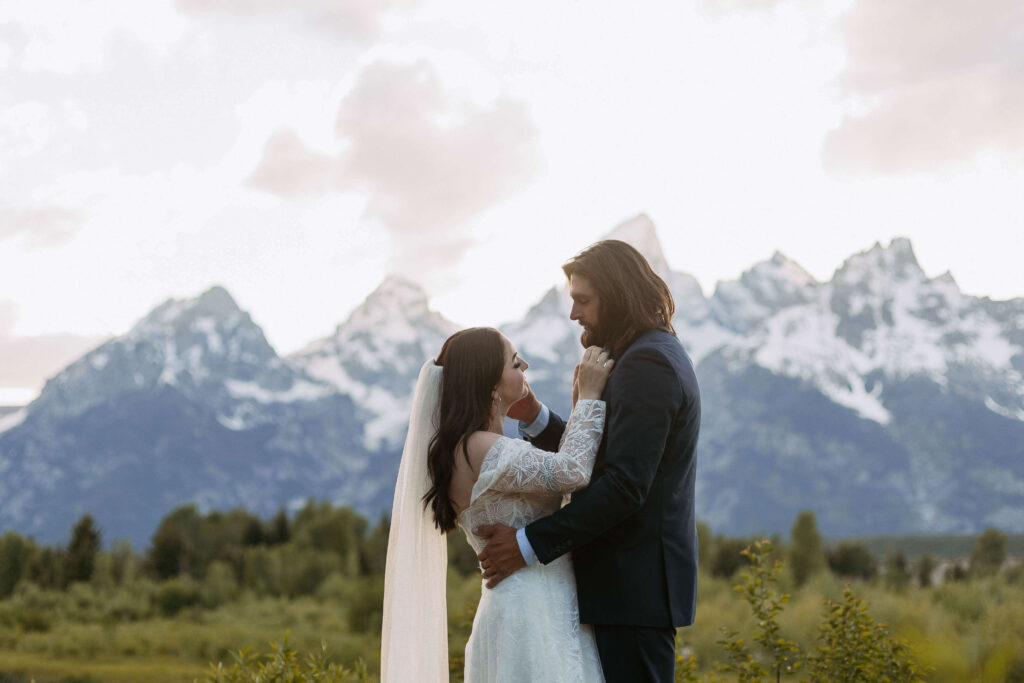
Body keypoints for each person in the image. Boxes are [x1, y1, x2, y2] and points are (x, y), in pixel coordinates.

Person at [476, 240, 701, 683]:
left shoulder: (648, 363)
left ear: (615, 296)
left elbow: (623, 486)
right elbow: (608, 458)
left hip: (633, 592)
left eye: (583, 300)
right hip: (625, 592)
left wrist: (526, 545)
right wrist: (538, 419)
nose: (574, 314)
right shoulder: (644, 355)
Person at [380, 326, 615, 682]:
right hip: (533, 613)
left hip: (522, 607)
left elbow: (560, 473)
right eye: (515, 363)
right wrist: (590, 396)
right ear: (491, 385)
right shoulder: (482, 447)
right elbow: (572, 471)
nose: (526, 366)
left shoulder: (468, 447)